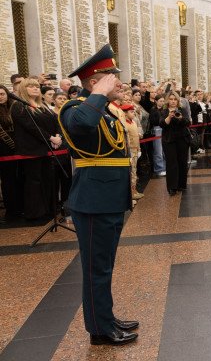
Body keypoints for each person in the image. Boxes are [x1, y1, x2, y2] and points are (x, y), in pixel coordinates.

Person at [58, 44, 138, 345]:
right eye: (112, 78)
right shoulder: (75, 109)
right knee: (96, 270)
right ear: (94, 82)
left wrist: (101, 97)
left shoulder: (104, 110)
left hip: (108, 200)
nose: (119, 83)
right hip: (93, 202)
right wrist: (98, 94)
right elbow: (81, 126)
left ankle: (105, 317)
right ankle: (100, 330)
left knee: (104, 266)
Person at [11, 77, 62, 221]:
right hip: (30, 149)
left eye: (37, 86)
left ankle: (47, 209)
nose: (35, 88)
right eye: (31, 86)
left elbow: (55, 121)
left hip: (45, 147)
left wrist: (58, 136)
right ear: (23, 89)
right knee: (34, 181)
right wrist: (51, 138)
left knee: (47, 179)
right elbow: (31, 127)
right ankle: (35, 212)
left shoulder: (42, 105)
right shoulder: (19, 106)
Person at [160, 92, 191, 195]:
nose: (173, 101)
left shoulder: (182, 110)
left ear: (178, 101)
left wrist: (181, 118)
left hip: (182, 139)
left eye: (175, 99)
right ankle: (172, 187)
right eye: (171, 99)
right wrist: (169, 117)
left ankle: (181, 184)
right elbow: (162, 124)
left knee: (182, 162)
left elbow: (188, 122)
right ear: (167, 100)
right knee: (171, 163)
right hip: (169, 140)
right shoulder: (164, 111)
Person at [0, 85, 21, 222]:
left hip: (18, 149)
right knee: (8, 181)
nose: (0, 97)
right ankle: (11, 210)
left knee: (18, 179)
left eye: (2, 94)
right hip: (3, 150)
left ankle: (20, 207)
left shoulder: (14, 107)